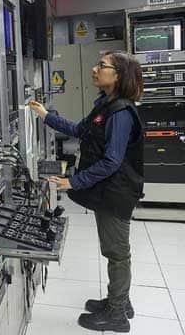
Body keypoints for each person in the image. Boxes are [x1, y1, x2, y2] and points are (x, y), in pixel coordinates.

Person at [29, 51, 144, 333]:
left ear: (118, 75)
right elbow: (81, 130)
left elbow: (111, 162)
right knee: (114, 250)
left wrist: (74, 182)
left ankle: (117, 314)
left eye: (101, 66)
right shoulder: (106, 105)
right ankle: (121, 301)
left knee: (117, 252)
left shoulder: (120, 112)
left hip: (117, 192)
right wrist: (46, 116)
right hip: (109, 190)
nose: (94, 69)